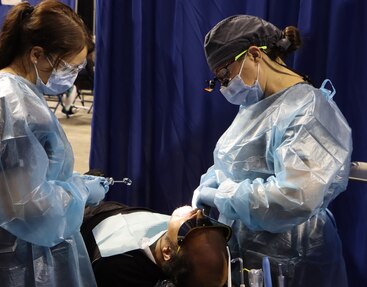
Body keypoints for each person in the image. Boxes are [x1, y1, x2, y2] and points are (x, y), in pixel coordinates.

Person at [0, 1, 108, 286]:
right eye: (69, 67)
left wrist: (62, 180)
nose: (71, 78)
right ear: (37, 54)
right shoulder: (14, 103)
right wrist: (80, 192)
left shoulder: (1, 89)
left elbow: (13, 178)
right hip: (18, 256)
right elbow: (24, 208)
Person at [192, 15, 352, 287]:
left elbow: (294, 198)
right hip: (251, 257)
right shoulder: (256, 106)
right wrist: (213, 181)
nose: (226, 86)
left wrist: (224, 196)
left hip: (297, 259)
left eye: (224, 75)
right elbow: (237, 164)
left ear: (254, 54)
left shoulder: (309, 110)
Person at [80, 201, 232, 287]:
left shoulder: (117, 269)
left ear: (167, 252)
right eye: (205, 221)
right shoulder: (174, 239)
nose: (198, 212)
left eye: (191, 224)